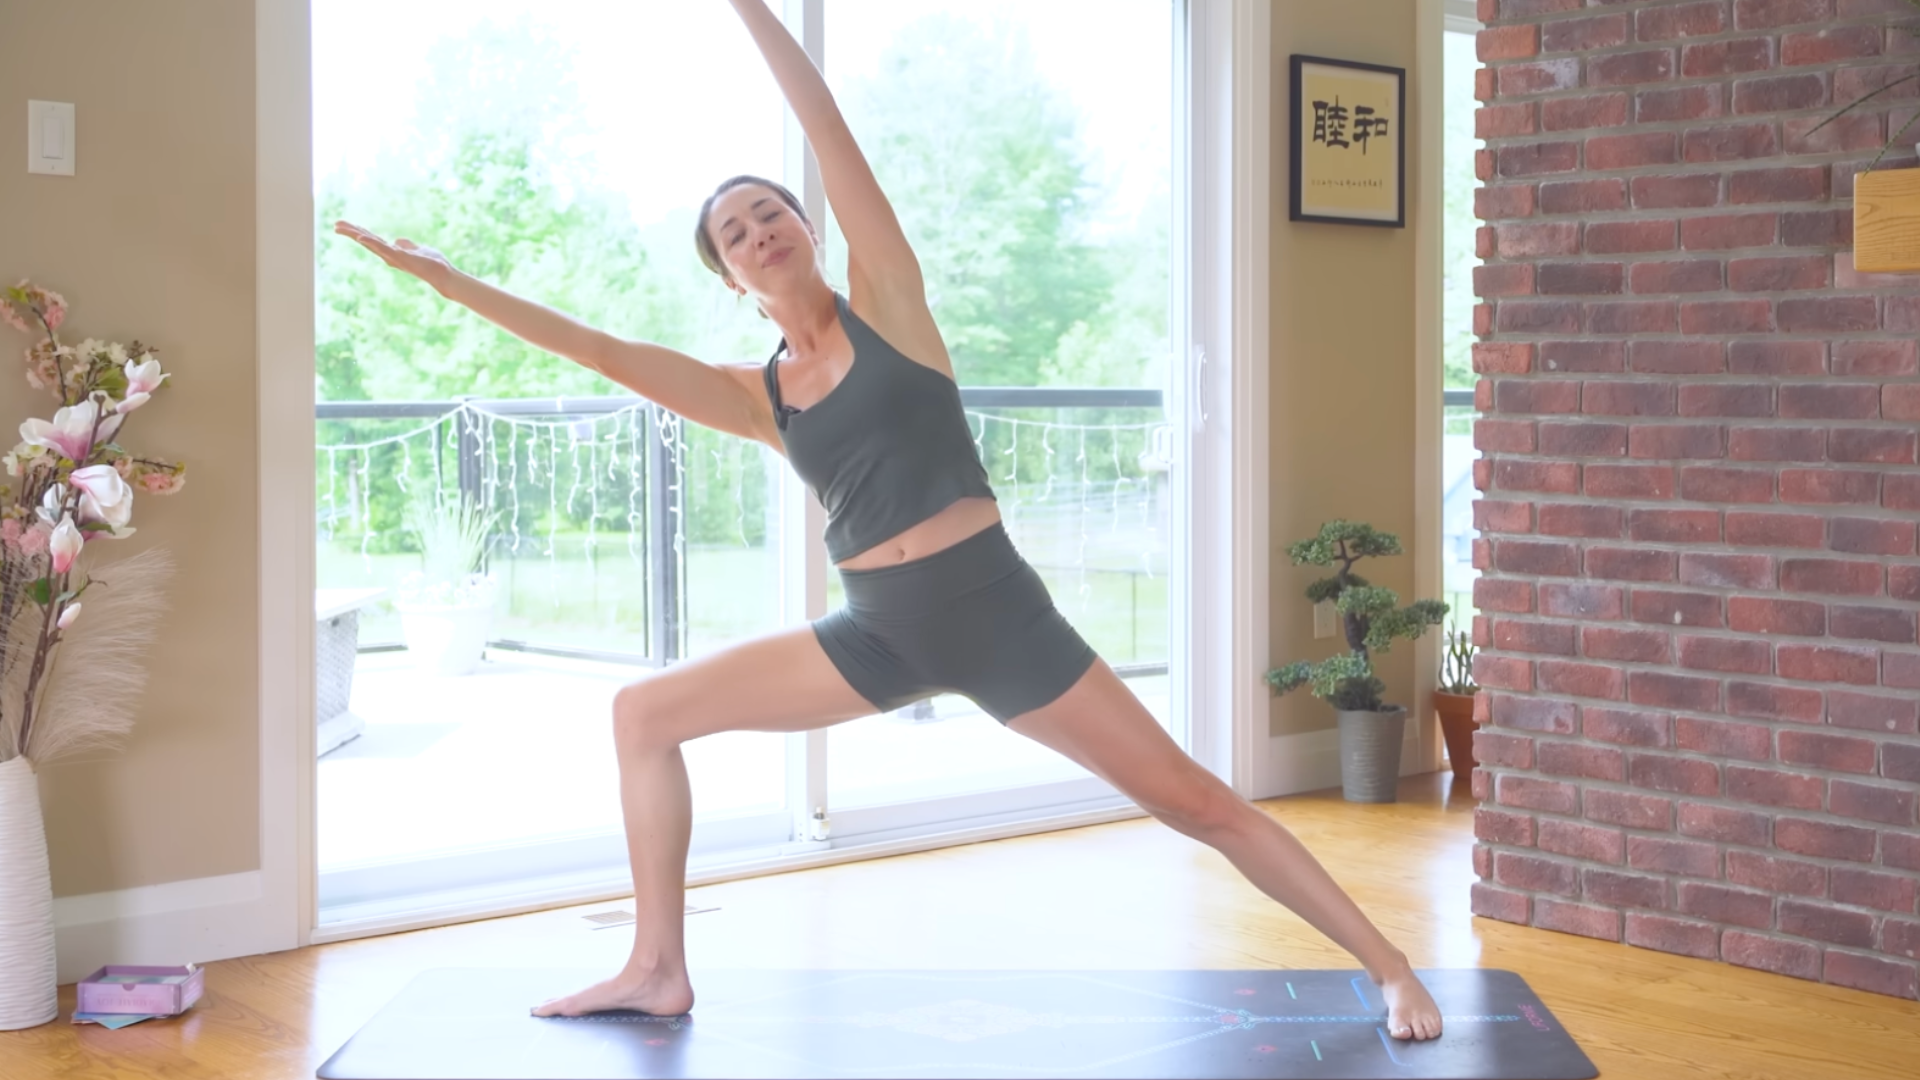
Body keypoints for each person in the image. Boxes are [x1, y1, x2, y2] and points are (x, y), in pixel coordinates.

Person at [334, 0, 1444, 1043]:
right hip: (877, 633)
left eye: (769, 211)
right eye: (733, 232)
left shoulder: (895, 307)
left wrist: (752, 13)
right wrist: (447, 283)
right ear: (729, 276)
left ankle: (1388, 961)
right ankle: (657, 966)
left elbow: (828, 128)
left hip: (1001, 615)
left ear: (806, 228)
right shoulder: (755, 395)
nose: (757, 228)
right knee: (641, 713)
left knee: (1197, 801)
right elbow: (595, 348)